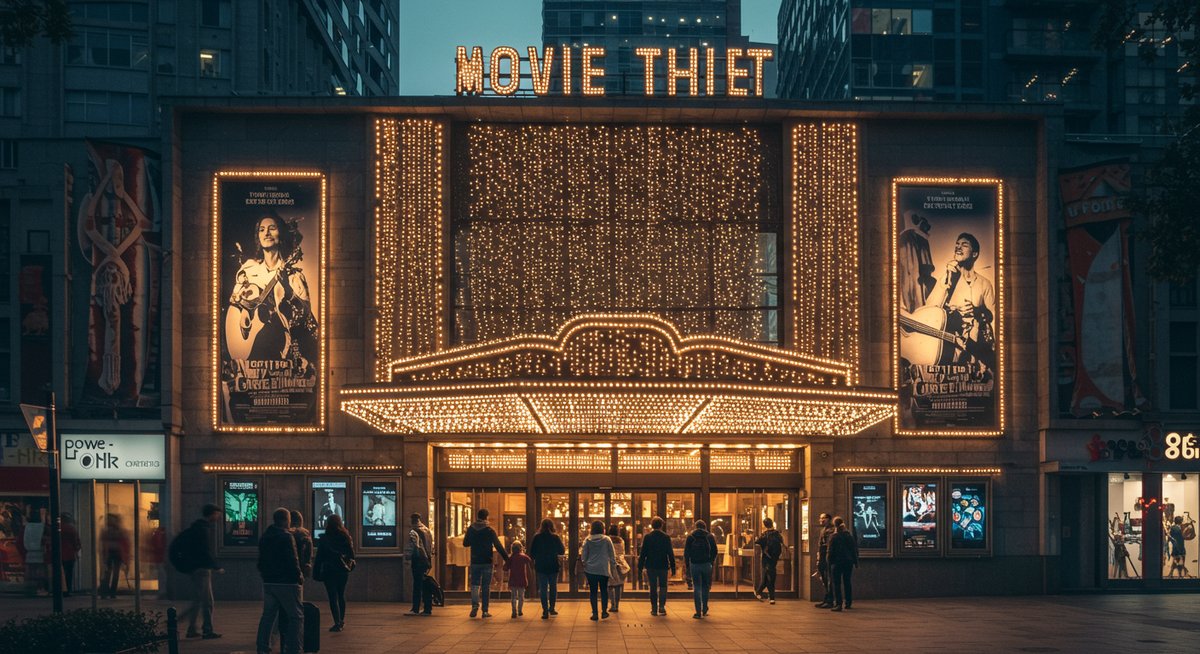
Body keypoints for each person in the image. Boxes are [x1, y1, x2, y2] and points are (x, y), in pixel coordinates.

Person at [226, 212, 318, 365]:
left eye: (272, 228)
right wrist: (244, 312)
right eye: (261, 229)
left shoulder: (295, 277)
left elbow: (306, 316)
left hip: (279, 348)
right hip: (250, 346)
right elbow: (234, 300)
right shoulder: (248, 269)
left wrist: (288, 289)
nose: (266, 233)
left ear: (281, 234)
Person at [923, 231, 996, 368]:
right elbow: (929, 309)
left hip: (977, 349)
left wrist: (978, 311)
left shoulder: (984, 283)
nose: (958, 247)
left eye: (964, 245)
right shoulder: (947, 278)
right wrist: (947, 280)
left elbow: (992, 315)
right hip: (951, 345)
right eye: (957, 244)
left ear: (974, 254)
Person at [257, 507, 303, 654]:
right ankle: (294, 648)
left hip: (269, 582)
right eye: (289, 520)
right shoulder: (286, 537)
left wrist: (265, 575)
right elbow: (292, 560)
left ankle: (262, 647)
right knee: (296, 616)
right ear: (285, 520)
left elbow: (261, 561)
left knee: (268, 616)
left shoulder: (265, 536)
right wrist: (298, 576)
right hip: (286, 583)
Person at [179, 504, 223, 640]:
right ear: (212, 514)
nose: (218, 517)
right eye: (217, 514)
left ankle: (191, 629)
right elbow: (205, 551)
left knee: (197, 600)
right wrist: (216, 566)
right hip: (203, 570)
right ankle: (207, 630)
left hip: (195, 568)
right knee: (208, 602)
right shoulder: (203, 529)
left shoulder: (196, 527)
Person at [463, 508, 508, 618]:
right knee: (486, 586)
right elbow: (498, 545)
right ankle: (485, 611)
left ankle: (474, 606)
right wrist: (507, 558)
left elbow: (465, 543)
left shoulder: (471, 529)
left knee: (474, 585)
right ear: (486, 517)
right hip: (487, 561)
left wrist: (474, 541)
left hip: (475, 560)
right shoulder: (489, 530)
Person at [314, 513, 355, 632]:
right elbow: (351, 555)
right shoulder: (346, 537)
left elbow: (319, 557)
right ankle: (342, 620)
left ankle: (337, 621)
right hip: (342, 570)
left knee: (332, 597)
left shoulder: (324, 538)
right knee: (341, 595)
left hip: (329, 571)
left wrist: (316, 573)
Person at [637, 516, 675, 616]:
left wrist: (640, 566)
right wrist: (673, 566)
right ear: (661, 525)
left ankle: (654, 608)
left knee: (653, 587)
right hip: (663, 565)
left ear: (652, 525)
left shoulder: (648, 537)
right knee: (663, 586)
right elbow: (670, 553)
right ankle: (662, 607)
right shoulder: (666, 537)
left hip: (651, 565)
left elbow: (643, 553)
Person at [579, 520, 616, 621]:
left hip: (590, 569)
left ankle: (595, 613)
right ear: (602, 529)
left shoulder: (587, 540)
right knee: (604, 590)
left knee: (593, 591)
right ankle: (604, 612)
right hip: (603, 568)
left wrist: (585, 563)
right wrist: (613, 567)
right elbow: (612, 555)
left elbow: (583, 555)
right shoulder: (607, 539)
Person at [529, 518, 564, 620]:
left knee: (543, 588)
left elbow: (532, 553)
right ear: (552, 526)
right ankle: (552, 608)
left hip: (541, 566)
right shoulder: (555, 537)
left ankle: (544, 611)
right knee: (553, 587)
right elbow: (562, 550)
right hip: (553, 565)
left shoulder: (537, 537)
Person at [683, 519, 717, 619]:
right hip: (706, 564)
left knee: (697, 587)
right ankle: (705, 608)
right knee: (706, 586)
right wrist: (711, 561)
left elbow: (686, 552)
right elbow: (715, 551)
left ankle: (698, 611)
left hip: (694, 564)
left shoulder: (690, 536)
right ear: (705, 526)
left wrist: (687, 565)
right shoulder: (710, 536)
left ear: (695, 526)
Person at [828, 516, 858, 611]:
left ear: (835, 525)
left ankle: (838, 604)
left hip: (837, 562)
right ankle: (848, 602)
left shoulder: (834, 537)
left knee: (837, 583)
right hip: (848, 562)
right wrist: (856, 562)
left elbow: (830, 551)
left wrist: (829, 562)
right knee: (847, 582)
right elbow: (854, 550)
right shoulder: (849, 535)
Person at [406, 512, 434, 615]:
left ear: (412, 520)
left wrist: (407, 557)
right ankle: (427, 607)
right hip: (426, 560)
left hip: (418, 560)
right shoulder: (427, 530)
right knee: (424, 584)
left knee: (417, 585)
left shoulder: (414, 532)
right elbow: (431, 546)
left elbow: (412, 547)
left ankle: (415, 608)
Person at [98, 513, 131, 599]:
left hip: (114, 553)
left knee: (110, 573)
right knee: (110, 573)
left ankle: (107, 592)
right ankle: (109, 592)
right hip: (114, 553)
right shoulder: (117, 531)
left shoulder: (108, 530)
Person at [51, 513, 83, 597]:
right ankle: (67, 590)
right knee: (69, 573)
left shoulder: (56, 528)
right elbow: (76, 542)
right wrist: (77, 549)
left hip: (58, 554)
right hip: (69, 554)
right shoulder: (71, 528)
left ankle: (58, 589)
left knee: (59, 573)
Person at [754, 517, 784, 604]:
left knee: (769, 577)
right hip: (774, 558)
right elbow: (781, 544)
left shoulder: (764, 535)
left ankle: (764, 594)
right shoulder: (777, 534)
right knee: (770, 576)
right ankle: (769, 596)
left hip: (766, 558)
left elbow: (757, 542)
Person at [504, 541, 532, 618]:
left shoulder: (511, 558)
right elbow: (529, 560)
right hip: (522, 579)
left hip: (513, 580)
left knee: (513, 596)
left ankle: (513, 611)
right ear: (521, 548)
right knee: (521, 596)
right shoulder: (524, 557)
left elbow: (505, 568)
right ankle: (520, 610)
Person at [607, 524, 630, 613]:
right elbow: (622, 552)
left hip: (610, 564)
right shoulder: (621, 540)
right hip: (621, 565)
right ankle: (617, 605)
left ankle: (612, 604)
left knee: (609, 585)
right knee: (618, 586)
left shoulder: (607, 540)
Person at [815, 513, 835, 609]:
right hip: (822, 556)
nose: (821, 520)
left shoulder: (831, 530)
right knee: (824, 578)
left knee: (828, 579)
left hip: (827, 557)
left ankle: (830, 600)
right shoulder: (823, 530)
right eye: (820, 518)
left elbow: (828, 545)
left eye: (824, 518)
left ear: (829, 519)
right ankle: (827, 598)